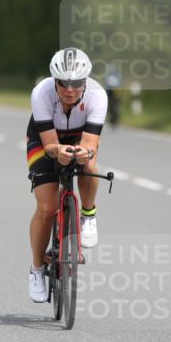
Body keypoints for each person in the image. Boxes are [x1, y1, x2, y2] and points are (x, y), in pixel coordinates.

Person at [26, 47, 108, 303]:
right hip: (45, 139)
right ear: (55, 81)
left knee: (89, 165)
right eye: (63, 83)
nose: (70, 89)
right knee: (47, 207)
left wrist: (85, 152)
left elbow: (91, 142)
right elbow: (50, 144)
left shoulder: (98, 95)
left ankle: (88, 215)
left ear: (86, 81)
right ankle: (37, 269)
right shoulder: (41, 93)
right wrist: (56, 151)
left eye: (77, 83)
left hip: (80, 136)